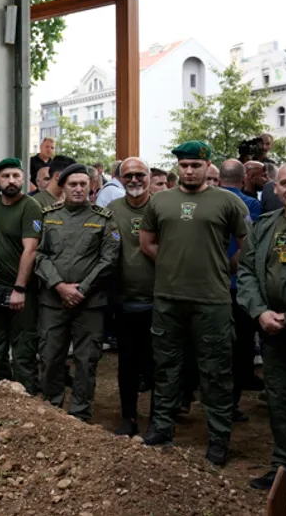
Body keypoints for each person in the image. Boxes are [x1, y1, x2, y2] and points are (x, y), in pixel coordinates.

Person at [141, 141, 250, 467]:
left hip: (212, 300)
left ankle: (218, 437)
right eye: (184, 165)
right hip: (168, 297)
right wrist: (173, 264)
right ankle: (162, 427)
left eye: (195, 165)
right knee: (166, 366)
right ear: (178, 167)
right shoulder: (160, 201)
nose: (189, 170)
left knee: (215, 370)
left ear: (207, 166)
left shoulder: (227, 202)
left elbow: (247, 245)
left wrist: (224, 266)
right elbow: (146, 243)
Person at [237, 161, 286, 500]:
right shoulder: (264, 226)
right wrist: (260, 312)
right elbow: (247, 271)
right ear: (275, 189)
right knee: (281, 401)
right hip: (273, 333)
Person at [34, 164, 119, 422]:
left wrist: (81, 289)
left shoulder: (104, 218)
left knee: (87, 359)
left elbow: (109, 259)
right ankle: (52, 409)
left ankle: (80, 412)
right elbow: (38, 254)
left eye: (84, 184)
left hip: (89, 302)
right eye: (73, 184)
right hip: (53, 300)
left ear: (92, 186)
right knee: (49, 356)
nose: (79, 189)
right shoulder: (48, 216)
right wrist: (59, 286)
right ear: (63, 186)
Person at [0, 158, 43, 392]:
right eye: (6, 176)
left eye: (16, 176)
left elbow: (31, 249)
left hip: (20, 291)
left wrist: (19, 288)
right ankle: (0, 396)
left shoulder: (30, 207)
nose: (11, 181)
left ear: (23, 179)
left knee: (23, 349)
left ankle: (25, 398)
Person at [108, 158, 157, 436]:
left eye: (140, 175)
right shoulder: (112, 210)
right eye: (128, 176)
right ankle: (128, 416)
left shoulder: (161, 207)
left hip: (159, 299)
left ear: (149, 176)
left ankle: (157, 419)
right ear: (120, 179)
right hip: (125, 301)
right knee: (126, 362)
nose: (134, 180)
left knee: (157, 364)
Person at [219, 159, 264, 421]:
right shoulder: (252, 205)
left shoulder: (208, 200)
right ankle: (232, 403)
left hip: (211, 285)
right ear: (244, 177)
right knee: (241, 346)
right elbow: (250, 242)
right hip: (240, 285)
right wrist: (231, 266)